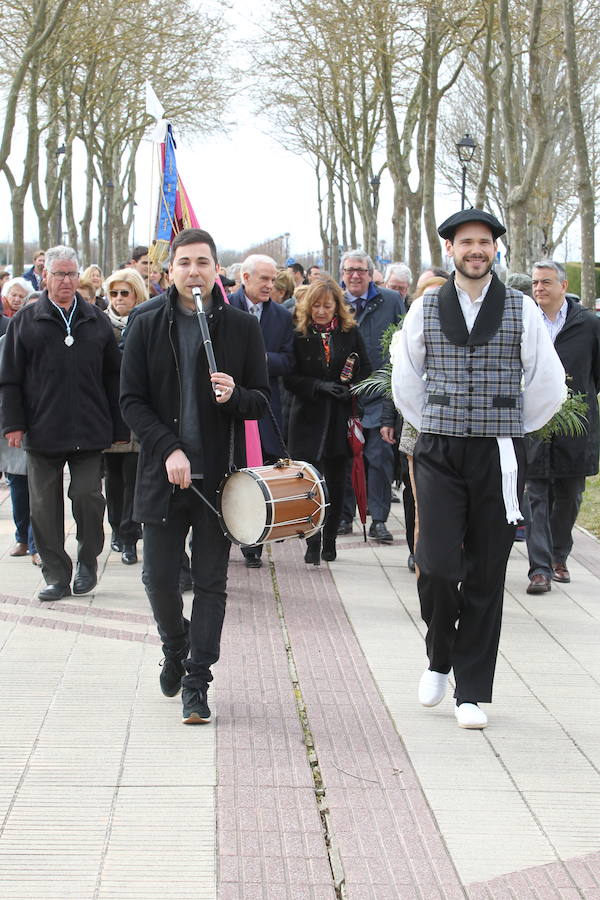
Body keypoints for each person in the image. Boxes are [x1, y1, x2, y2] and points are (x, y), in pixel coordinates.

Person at [392, 209, 566, 729]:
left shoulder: (521, 309)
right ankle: (439, 655)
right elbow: (406, 377)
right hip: (440, 450)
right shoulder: (425, 308)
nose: (476, 250)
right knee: (439, 565)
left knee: (487, 571)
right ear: (450, 249)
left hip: (498, 451)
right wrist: (440, 422)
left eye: (484, 242)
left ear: (495, 250)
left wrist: (506, 423)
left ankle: (471, 691)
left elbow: (546, 384)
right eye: (466, 242)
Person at [120, 227, 269, 724]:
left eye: (203, 263)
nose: (194, 272)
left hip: (218, 480)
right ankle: (175, 646)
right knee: (159, 579)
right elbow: (131, 402)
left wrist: (236, 395)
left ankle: (196, 681)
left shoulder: (242, 328)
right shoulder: (143, 323)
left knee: (210, 583)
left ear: (216, 270)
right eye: (184, 263)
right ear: (170, 271)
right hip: (164, 475)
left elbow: (261, 401)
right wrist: (168, 449)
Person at [0, 245, 125, 601]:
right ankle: (56, 574)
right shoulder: (27, 320)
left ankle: (88, 562)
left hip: (89, 429)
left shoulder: (95, 319)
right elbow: (9, 378)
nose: (66, 280)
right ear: (46, 277)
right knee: (43, 506)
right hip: (42, 430)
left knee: (88, 496)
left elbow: (113, 377)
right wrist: (14, 424)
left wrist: (118, 428)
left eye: (72, 273)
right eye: (59, 274)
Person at [525, 260, 600, 593]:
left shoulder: (589, 325)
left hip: (575, 422)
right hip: (535, 421)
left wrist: (577, 399)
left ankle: (559, 556)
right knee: (535, 494)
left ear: (563, 286)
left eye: (546, 282)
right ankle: (539, 568)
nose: (539, 288)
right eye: (535, 283)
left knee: (569, 494)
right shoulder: (526, 322)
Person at [285, 277, 371, 564]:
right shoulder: (299, 333)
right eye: (317, 306)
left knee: (335, 482)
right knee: (309, 484)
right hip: (308, 418)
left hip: (338, 418)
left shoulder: (349, 332)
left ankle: (330, 540)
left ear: (337, 307)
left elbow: (364, 369)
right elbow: (290, 376)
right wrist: (317, 386)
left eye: (328, 306)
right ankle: (312, 541)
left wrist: (350, 389)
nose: (322, 311)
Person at [229, 255, 295, 567]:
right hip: (228, 407)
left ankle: (253, 541)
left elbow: (288, 360)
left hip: (264, 407)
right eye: (263, 279)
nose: (270, 285)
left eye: (273, 279)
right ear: (244, 277)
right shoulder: (225, 307)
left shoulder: (281, 316)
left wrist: (258, 360)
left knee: (259, 472)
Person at [338, 249, 406, 543]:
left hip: (380, 393)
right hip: (344, 396)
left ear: (370, 273)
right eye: (350, 270)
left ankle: (378, 519)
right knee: (345, 458)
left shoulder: (390, 300)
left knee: (379, 458)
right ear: (342, 274)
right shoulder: (336, 301)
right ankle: (344, 515)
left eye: (361, 270)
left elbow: (401, 344)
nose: (355, 275)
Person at [103, 268, 149, 565]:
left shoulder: (146, 322)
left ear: (137, 295)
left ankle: (131, 535)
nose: (119, 299)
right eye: (114, 293)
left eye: (125, 293)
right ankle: (117, 529)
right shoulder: (99, 324)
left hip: (139, 413)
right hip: (109, 412)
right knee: (113, 477)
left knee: (135, 477)